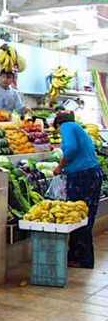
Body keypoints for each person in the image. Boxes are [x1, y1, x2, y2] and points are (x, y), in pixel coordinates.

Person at [53, 111, 103, 268]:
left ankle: (81, 258)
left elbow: (72, 149)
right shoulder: (77, 127)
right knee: (84, 216)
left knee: (77, 216)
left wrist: (60, 166)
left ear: (58, 124)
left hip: (82, 176)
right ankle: (81, 258)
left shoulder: (67, 127)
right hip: (92, 174)